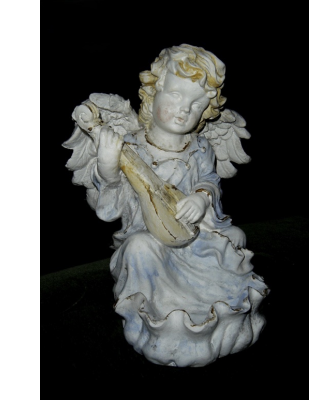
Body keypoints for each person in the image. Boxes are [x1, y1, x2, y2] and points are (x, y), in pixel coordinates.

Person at [66, 44, 269, 367]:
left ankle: (214, 309)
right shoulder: (132, 146)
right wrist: (107, 165)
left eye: (196, 104)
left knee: (236, 238)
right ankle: (157, 316)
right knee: (138, 249)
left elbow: (209, 181)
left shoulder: (200, 147)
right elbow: (110, 207)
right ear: (153, 92)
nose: (183, 110)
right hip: (151, 238)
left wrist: (201, 198)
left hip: (195, 237)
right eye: (175, 96)